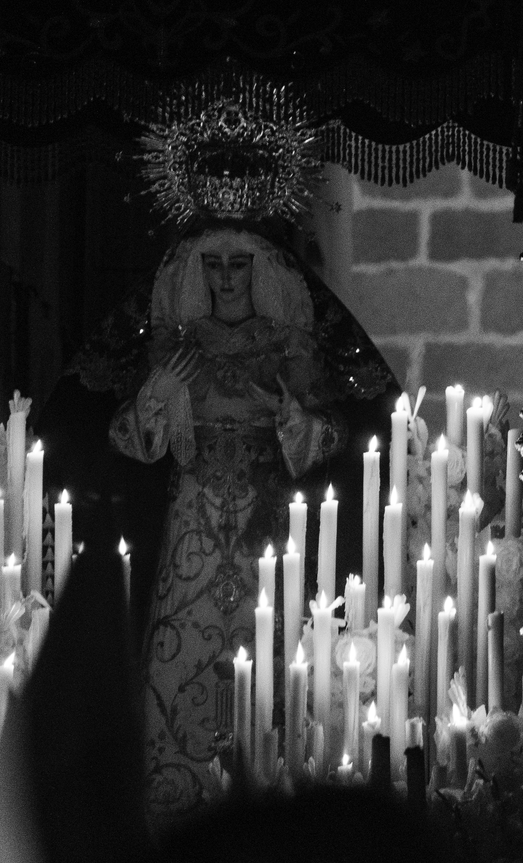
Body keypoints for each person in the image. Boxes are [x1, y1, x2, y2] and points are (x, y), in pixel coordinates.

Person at [108, 224, 392, 826]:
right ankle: (175, 811)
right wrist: (156, 397)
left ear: (260, 271)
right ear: (198, 272)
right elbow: (133, 440)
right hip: (194, 533)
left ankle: (272, 812)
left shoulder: (286, 347)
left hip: (266, 531)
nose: (228, 278)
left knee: (274, 660)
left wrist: (295, 421)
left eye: (240, 264)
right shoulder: (178, 349)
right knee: (179, 665)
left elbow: (331, 432)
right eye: (214, 265)